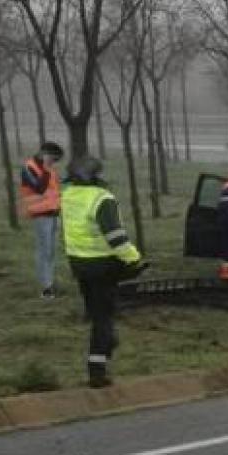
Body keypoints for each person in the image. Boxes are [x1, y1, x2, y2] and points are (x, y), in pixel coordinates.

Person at [60, 156, 145, 388]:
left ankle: (108, 343)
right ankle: (97, 369)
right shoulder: (101, 198)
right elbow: (115, 237)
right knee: (103, 318)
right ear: (96, 176)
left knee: (98, 312)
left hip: (78, 264)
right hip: (102, 265)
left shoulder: (67, 197)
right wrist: (134, 258)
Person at [18, 141, 65, 298]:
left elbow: (55, 189)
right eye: (54, 158)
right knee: (44, 251)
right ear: (45, 154)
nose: (54, 163)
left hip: (53, 213)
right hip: (40, 214)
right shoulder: (29, 167)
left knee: (51, 250)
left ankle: (50, 282)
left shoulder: (50, 169)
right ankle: (45, 287)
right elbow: (40, 188)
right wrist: (45, 167)